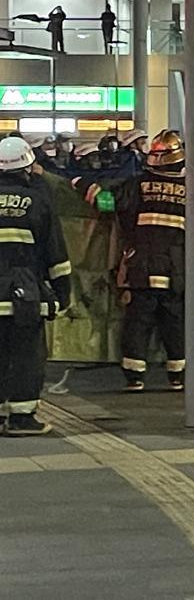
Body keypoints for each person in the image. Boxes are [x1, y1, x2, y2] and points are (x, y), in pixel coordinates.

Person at [92, 131, 187, 391]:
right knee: (175, 323)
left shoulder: (135, 184)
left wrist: (79, 184)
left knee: (137, 322)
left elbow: (108, 203)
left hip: (141, 265)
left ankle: (135, 376)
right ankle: (177, 375)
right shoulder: (193, 188)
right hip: (177, 268)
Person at [0, 137, 71, 436]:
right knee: (27, 356)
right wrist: (63, 294)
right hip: (23, 295)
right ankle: (22, 418)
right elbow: (55, 253)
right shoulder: (38, 201)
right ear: (28, 167)